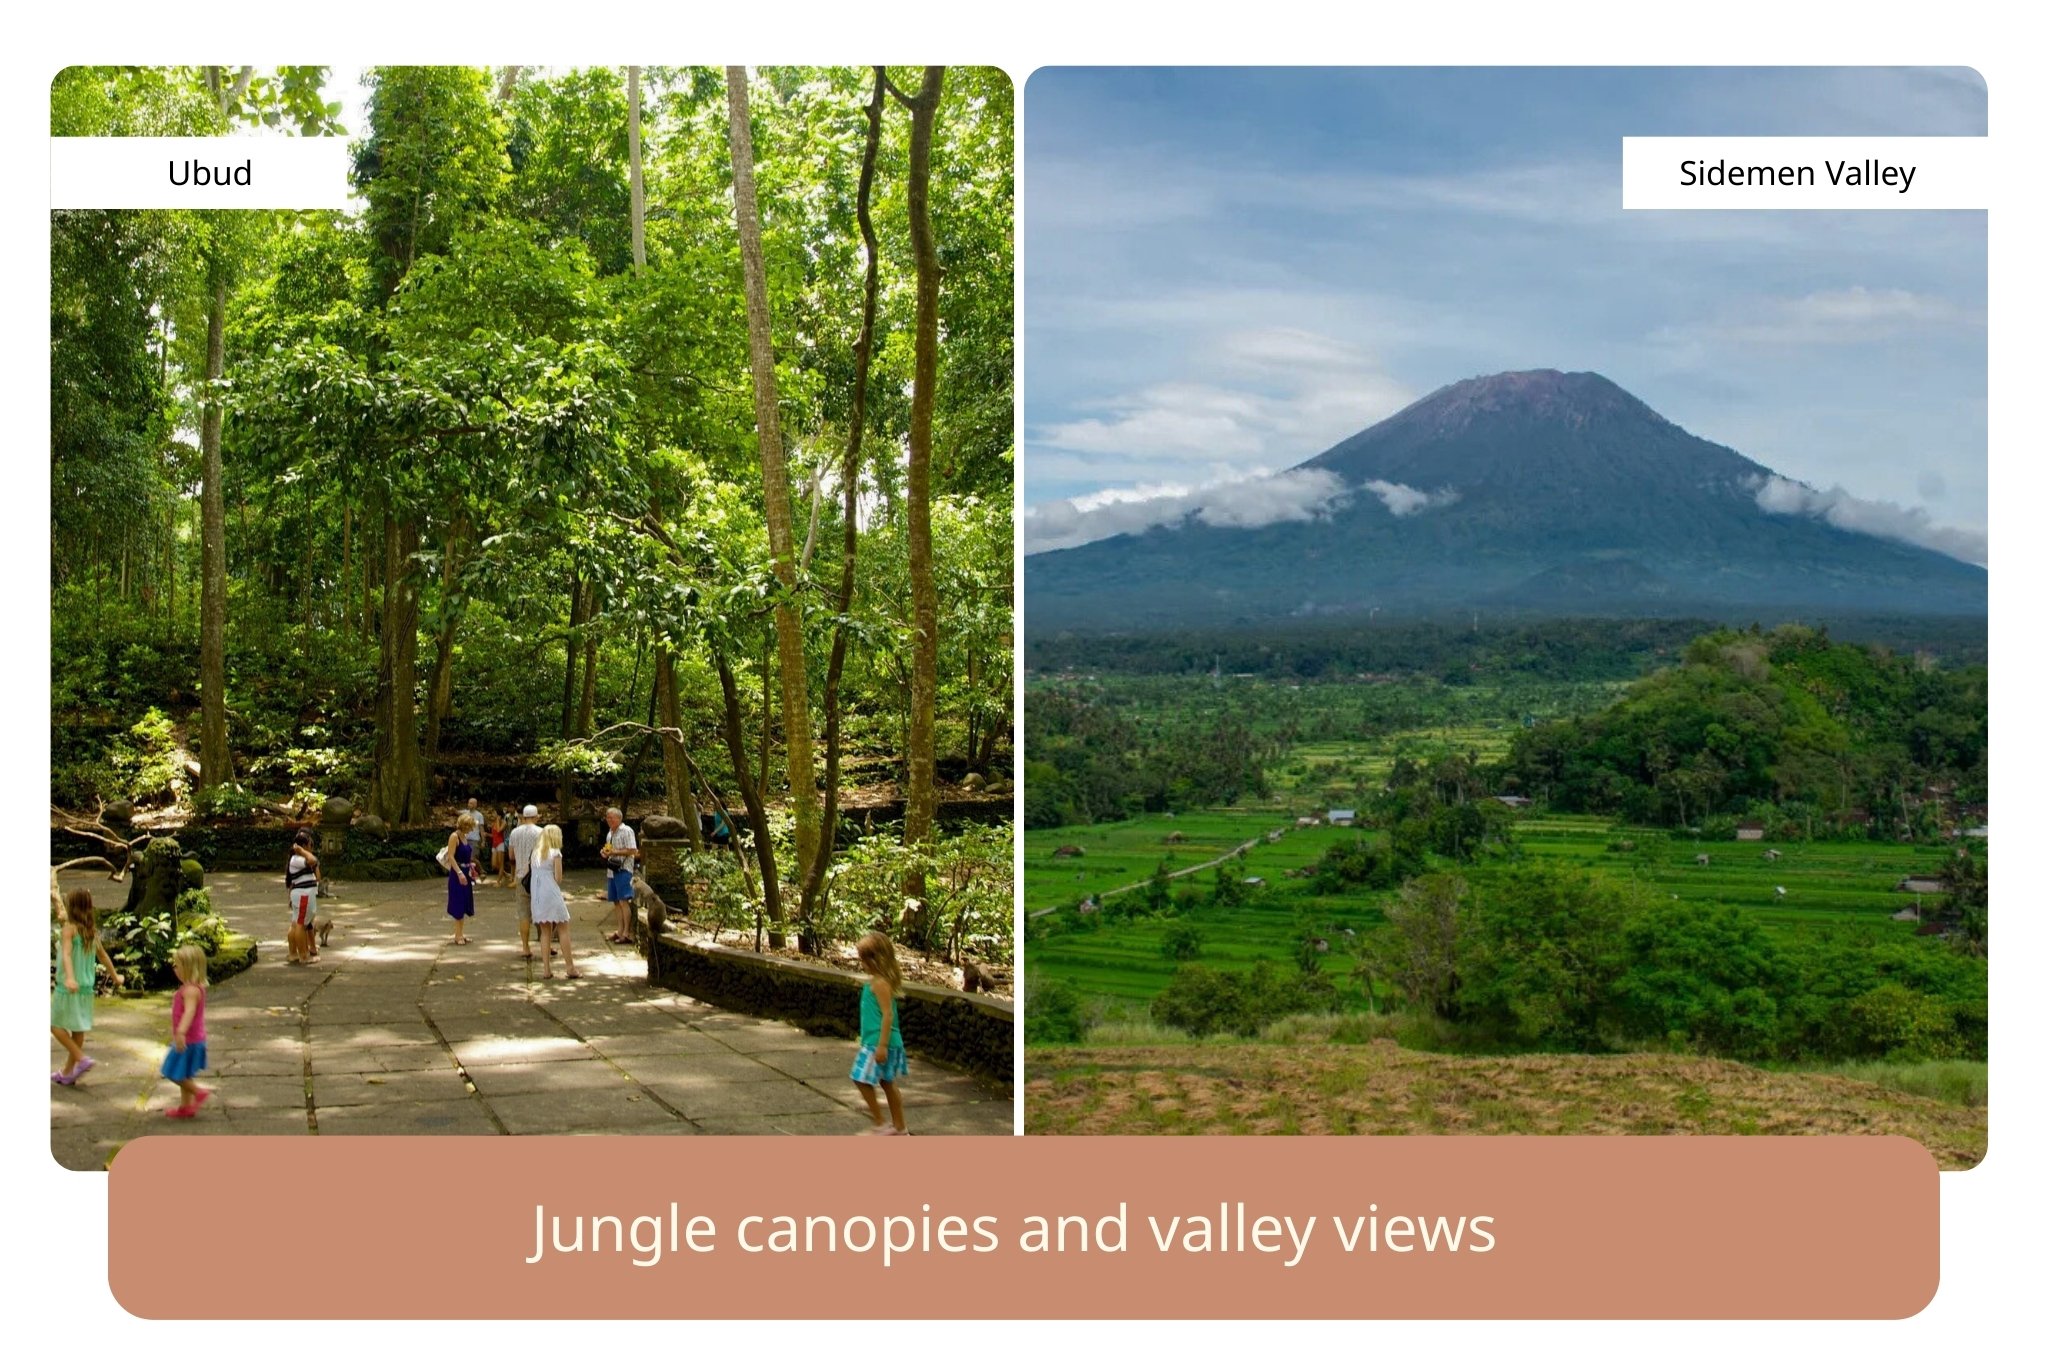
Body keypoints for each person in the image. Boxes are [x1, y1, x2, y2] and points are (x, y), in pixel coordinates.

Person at [51, 888, 122, 1085]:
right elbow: (103, 956)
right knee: (77, 1030)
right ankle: (67, 1072)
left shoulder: (69, 929)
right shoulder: (91, 932)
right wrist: (115, 976)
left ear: (71, 907)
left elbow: (65, 954)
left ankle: (81, 1059)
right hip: (85, 989)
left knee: (54, 1025)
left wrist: (70, 978)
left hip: (68, 988)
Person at [850, 930, 909, 1135]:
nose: (862, 964)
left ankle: (880, 1122)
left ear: (877, 960)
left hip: (880, 1041)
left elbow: (887, 1015)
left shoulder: (881, 983)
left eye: (864, 960)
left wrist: (882, 1045)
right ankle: (899, 1128)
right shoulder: (875, 982)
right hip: (877, 1040)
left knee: (860, 1078)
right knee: (886, 1081)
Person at [158, 943, 211, 1119]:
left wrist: (180, 1032)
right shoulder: (195, 988)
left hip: (189, 1040)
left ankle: (198, 1092)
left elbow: (189, 1012)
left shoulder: (189, 991)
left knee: (171, 1071)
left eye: (177, 965)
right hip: (195, 1039)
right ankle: (185, 1107)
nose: (174, 968)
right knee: (185, 1072)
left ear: (188, 968)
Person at [527, 823, 579, 980]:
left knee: (545, 932)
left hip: (537, 895)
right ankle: (570, 967)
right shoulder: (555, 852)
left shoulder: (535, 853)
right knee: (563, 928)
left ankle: (546, 970)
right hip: (551, 892)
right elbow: (558, 878)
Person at [505, 804, 545, 959]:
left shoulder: (515, 832)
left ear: (523, 817)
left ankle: (525, 947)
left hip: (521, 876)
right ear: (535, 817)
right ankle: (545, 945)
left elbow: (511, 856)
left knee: (523, 913)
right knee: (541, 912)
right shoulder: (541, 832)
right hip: (538, 876)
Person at [600, 806, 639, 944]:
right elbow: (609, 848)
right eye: (607, 817)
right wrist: (605, 852)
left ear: (619, 818)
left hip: (623, 869)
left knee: (623, 901)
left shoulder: (627, 831)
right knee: (616, 902)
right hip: (612, 870)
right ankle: (620, 930)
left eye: (611, 817)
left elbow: (633, 850)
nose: (608, 820)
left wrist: (614, 852)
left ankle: (627, 932)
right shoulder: (610, 833)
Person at [285, 828, 320, 965]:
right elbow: (312, 860)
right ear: (304, 846)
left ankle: (293, 953)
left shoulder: (298, 859)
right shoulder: (297, 858)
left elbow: (317, 874)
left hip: (303, 894)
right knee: (300, 924)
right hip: (303, 895)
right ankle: (303, 955)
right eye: (310, 845)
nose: (311, 847)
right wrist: (301, 851)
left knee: (296, 924)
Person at [445, 813, 479, 945]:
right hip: (457, 873)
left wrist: (471, 867)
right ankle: (457, 935)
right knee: (458, 902)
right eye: (470, 827)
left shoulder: (464, 837)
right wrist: (459, 873)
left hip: (466, 871)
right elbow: (451, 856)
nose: (471, 829)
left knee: (464, 902)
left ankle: (460, 934)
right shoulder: (454, 837)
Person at [487, 810, 509, 888]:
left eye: (494, 813)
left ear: (498, 814)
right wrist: (487, 834)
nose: (493, 814)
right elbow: (494, 835)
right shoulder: (493, 823)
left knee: (500, 863)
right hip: (494, 844)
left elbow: (499, 830)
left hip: (500, 844)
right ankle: (505, 874)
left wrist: (497, 820)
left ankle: (498, 881)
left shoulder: (504, 822)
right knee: (494, 864)